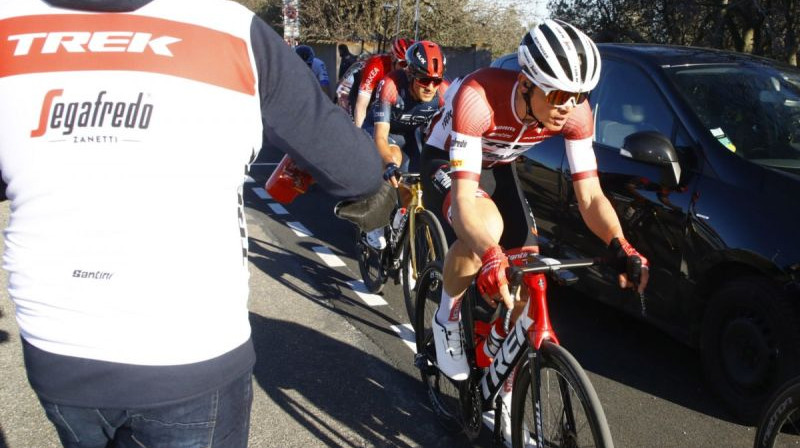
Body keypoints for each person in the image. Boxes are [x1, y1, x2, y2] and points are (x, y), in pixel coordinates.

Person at [0, 1, 385, 447]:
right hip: (188, 349)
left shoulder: (9, 22)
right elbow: (355, 171)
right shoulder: (231, 28)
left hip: (57, 347)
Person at [420, 19, 649, 440]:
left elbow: (591, 196)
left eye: (579, 94)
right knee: (485, 231)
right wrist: (489, 254)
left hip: (499, 164)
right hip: (446, 162)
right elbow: (467, 200)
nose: (568, 105)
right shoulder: (479, 98)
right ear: (527, 83)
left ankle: (504, 369)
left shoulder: (575, 113)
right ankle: (446, 315)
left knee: (530, 268)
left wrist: (621, 244)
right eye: (559, 93)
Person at [361, 41, 450, 249]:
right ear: (410, 74)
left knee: (416, 180)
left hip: (410, 133)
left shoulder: (444, 92)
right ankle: (374, 223)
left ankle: (402, 222)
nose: (430, 87)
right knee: (394, 160)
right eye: (424, 79)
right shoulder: (391, 85)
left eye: (436, 81)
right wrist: (389, 164)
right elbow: (381, 137)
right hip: (382, 130)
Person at [352, 38, 414, 128]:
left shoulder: (411, 73)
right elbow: (361, 105)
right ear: (393, 58)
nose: (407, 69)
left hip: (385, 91)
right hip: (364, 87)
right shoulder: (376, 66)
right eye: (403, 64)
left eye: (411, 65)